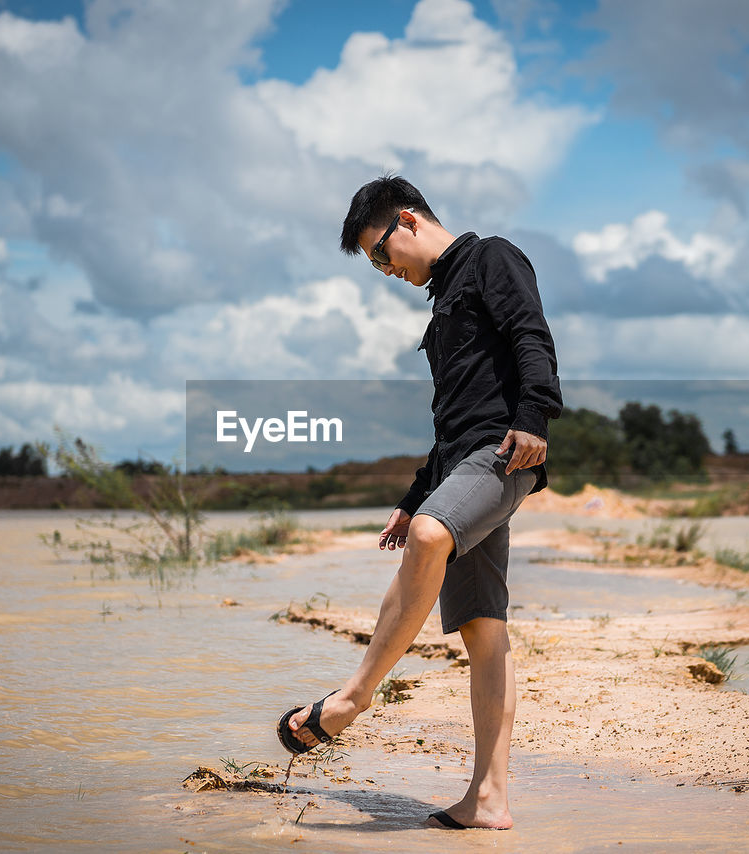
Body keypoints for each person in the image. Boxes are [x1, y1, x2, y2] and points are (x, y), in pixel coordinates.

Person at [277, 174, 562, 831]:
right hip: (463, 464)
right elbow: (448, 425)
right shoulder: (441, 307)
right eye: (372, 265)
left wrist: (534, 420)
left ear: (406, 220)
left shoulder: (492, 257)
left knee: (434, 536)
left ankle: (352, 698)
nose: (383, 269)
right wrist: (414, 499)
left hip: (504, 454)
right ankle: (488, 799)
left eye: (380, 253)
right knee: (484, 635)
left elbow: (532, 339)